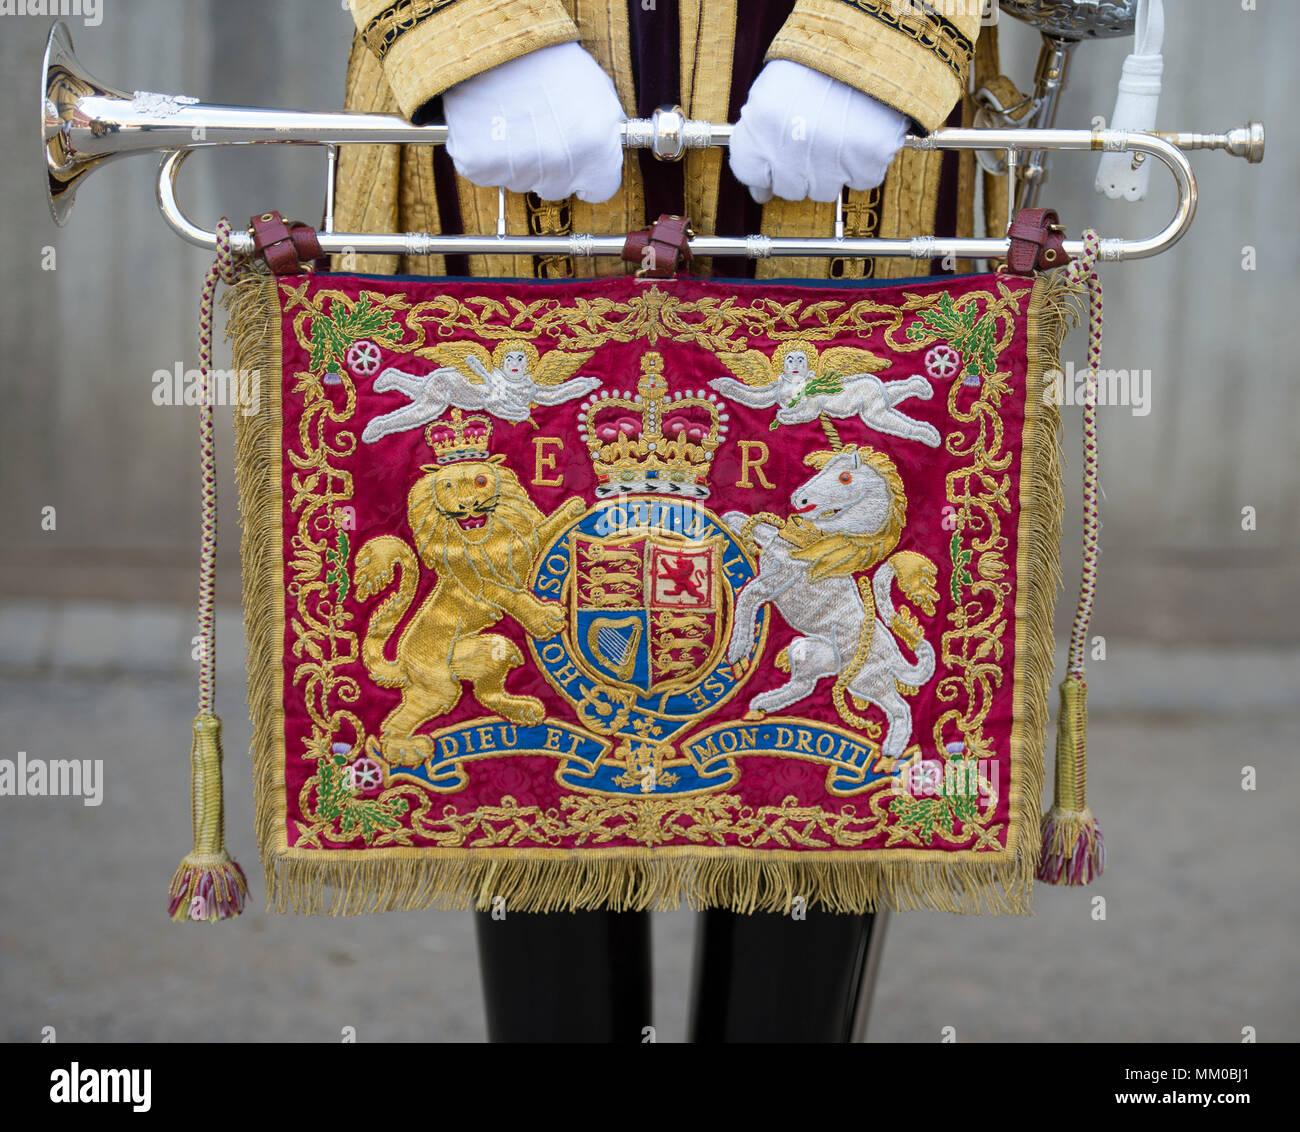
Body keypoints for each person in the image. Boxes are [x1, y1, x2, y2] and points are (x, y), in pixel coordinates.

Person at [336, 0, 997, 1042]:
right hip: (523, 101)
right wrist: (474, 29)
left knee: (820, 794)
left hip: (827, 95)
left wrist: (883, 32)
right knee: (528, 789)